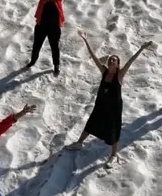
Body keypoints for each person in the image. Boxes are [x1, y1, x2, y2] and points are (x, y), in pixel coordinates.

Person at [65, 31, 152, 168]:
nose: (112, 61)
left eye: (114, 60)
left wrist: (141, 49)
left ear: (117, 64)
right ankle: (79, 143)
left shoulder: (119, 75)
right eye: (111, 59)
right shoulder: (104, 71)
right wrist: (86, 41)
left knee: (113, 130)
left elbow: (130, 61)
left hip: (114, 108)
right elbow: (94, 58)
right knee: (91, 122)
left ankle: (113, 155)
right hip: (100, 105)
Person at [23, 0, 79, 76]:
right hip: (41, 26)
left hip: (54, 28)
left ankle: (56, 66)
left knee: (55, 47)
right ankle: (33, 61)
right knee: (36, 45)